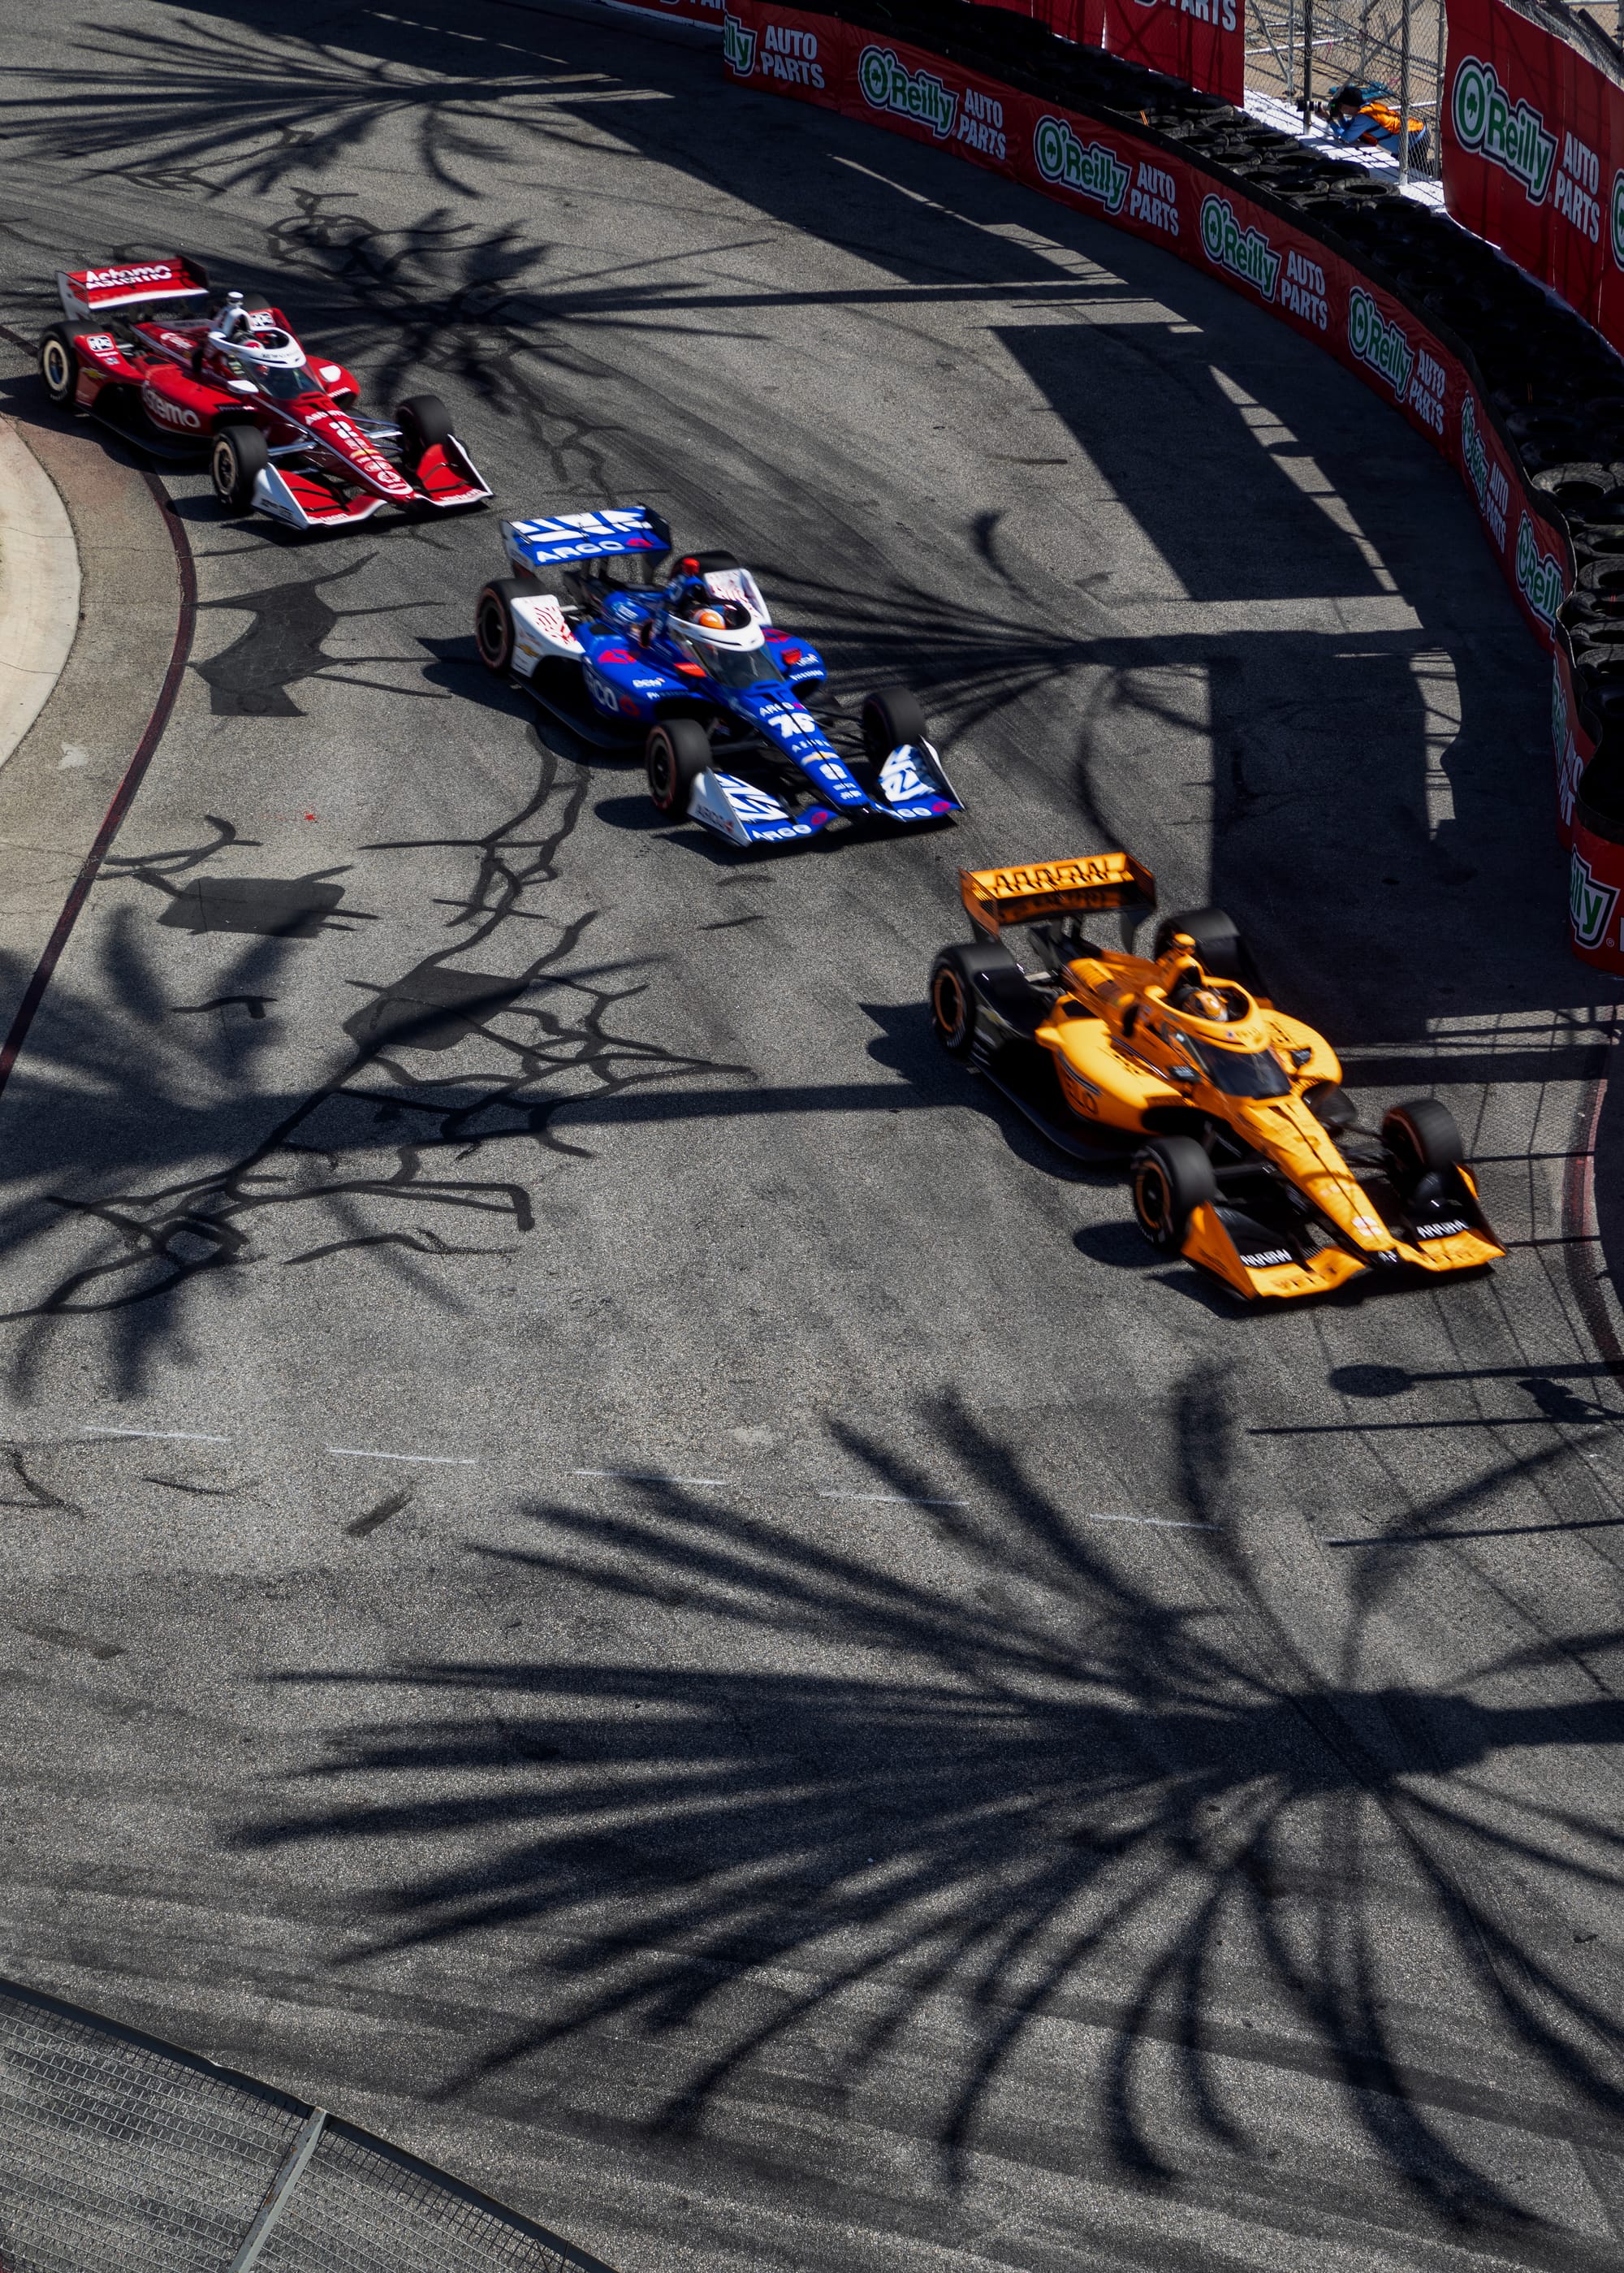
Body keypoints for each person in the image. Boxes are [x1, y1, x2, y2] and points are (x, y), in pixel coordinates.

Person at [1325, 81, 1429, 169]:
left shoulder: (1364, 117)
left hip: (1414, 141)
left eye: (1340, 105)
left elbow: (1348, 137)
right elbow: (1349, 129)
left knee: (1417, 172)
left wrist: (1328, 119)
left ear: (1349, 106)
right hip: (1414, 135)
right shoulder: (1366, 108)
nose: (1339, 107)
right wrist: (1340, 117)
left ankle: (1438, 171)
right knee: (1400, 169)